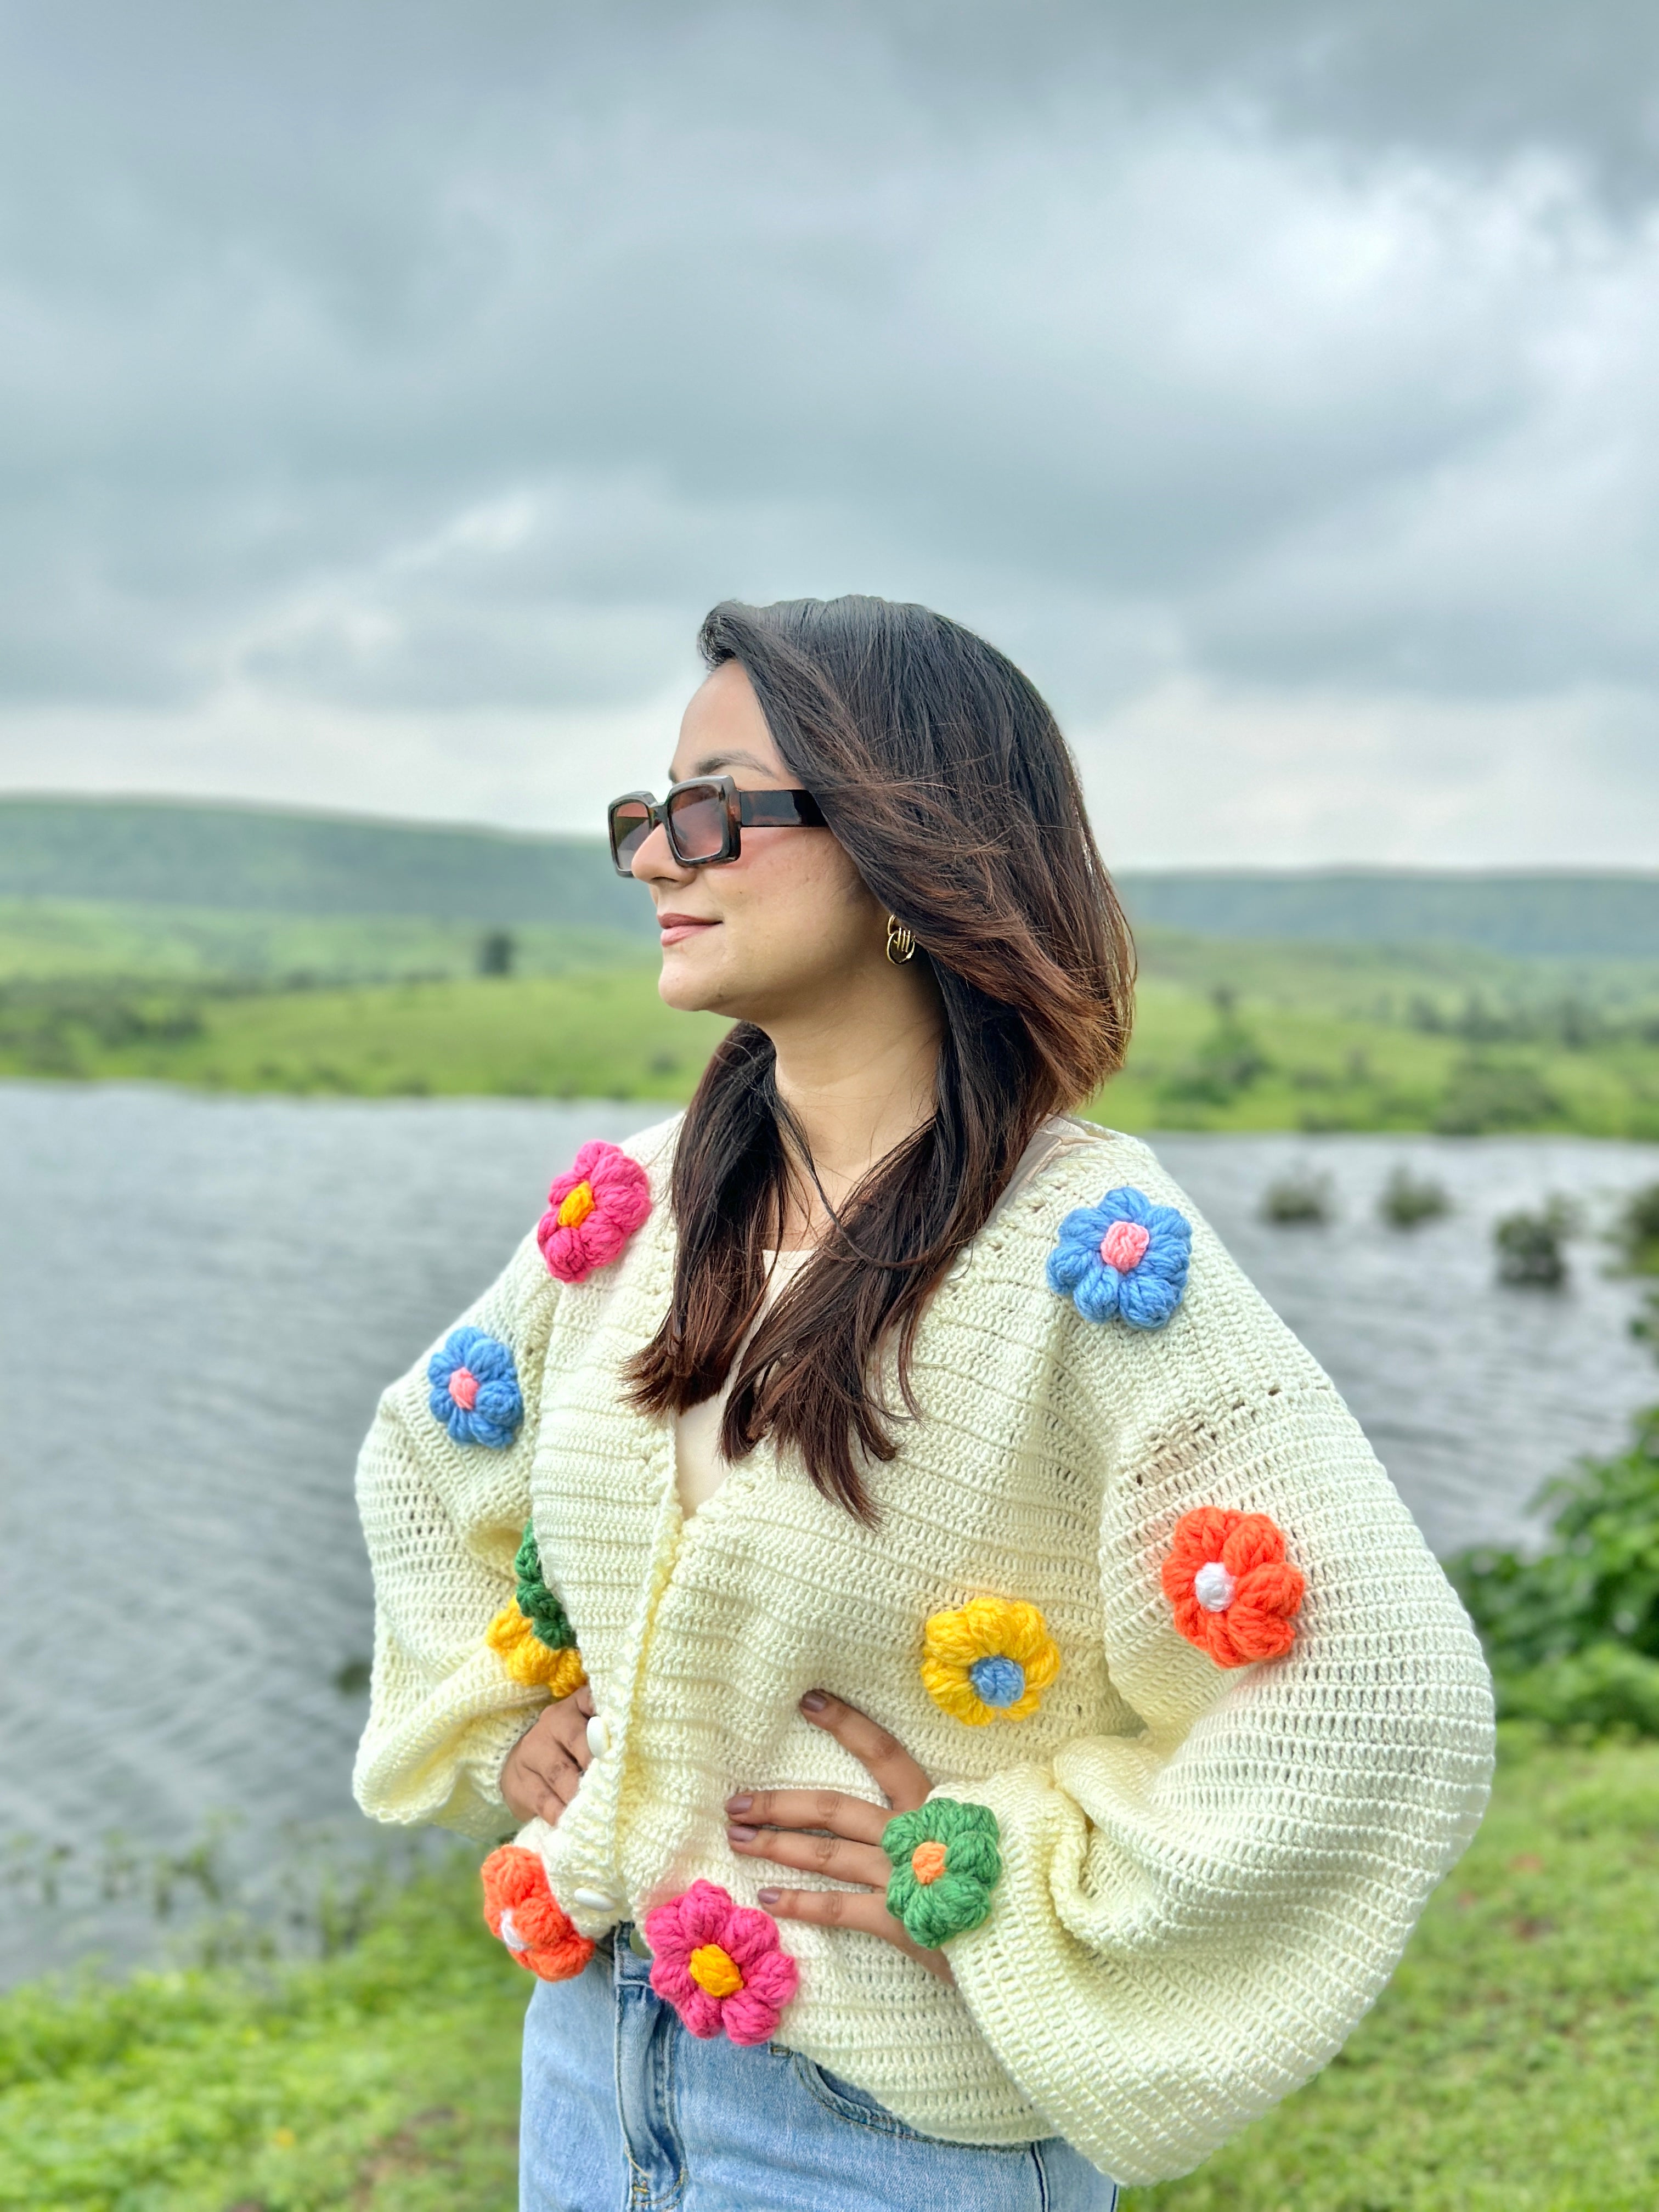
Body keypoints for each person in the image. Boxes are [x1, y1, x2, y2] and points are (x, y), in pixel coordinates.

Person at [352, 596, 1494, 2211]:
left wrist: (1016, 1875)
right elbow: (424, 1454)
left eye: (714, 810)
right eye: (644, 817)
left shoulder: (1090, 1265)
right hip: (590, 2078)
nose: (658, 860)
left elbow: (1383, 1697)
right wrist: (507, 1717)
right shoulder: (645, 1210)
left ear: (904, 843)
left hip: (879, 2138)